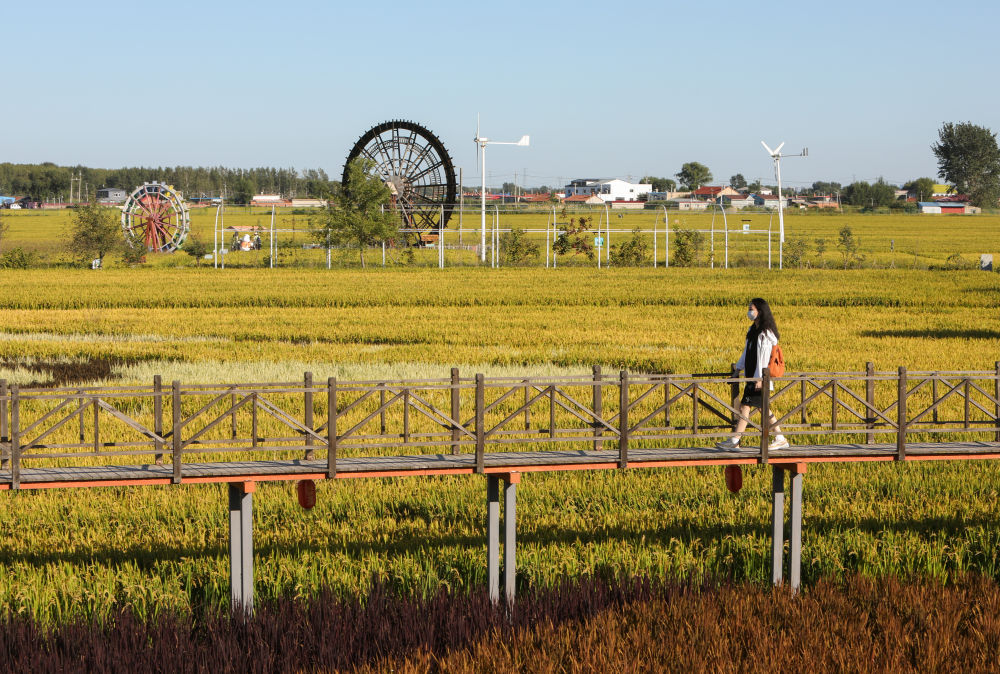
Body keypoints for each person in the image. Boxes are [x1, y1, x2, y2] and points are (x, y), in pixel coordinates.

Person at [716, 298, 789, 450]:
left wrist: (761, 379)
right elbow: (746, 353)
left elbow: (765, 358)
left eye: (751, 309)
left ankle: (735, 440)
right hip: (751, 377)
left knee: (746, 407)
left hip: (759, 379)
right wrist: (738, 370)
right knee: (760, 408)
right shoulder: (752, 331)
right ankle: (779, 437)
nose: (749, 312)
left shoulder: (766, 334)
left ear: (760, 311)